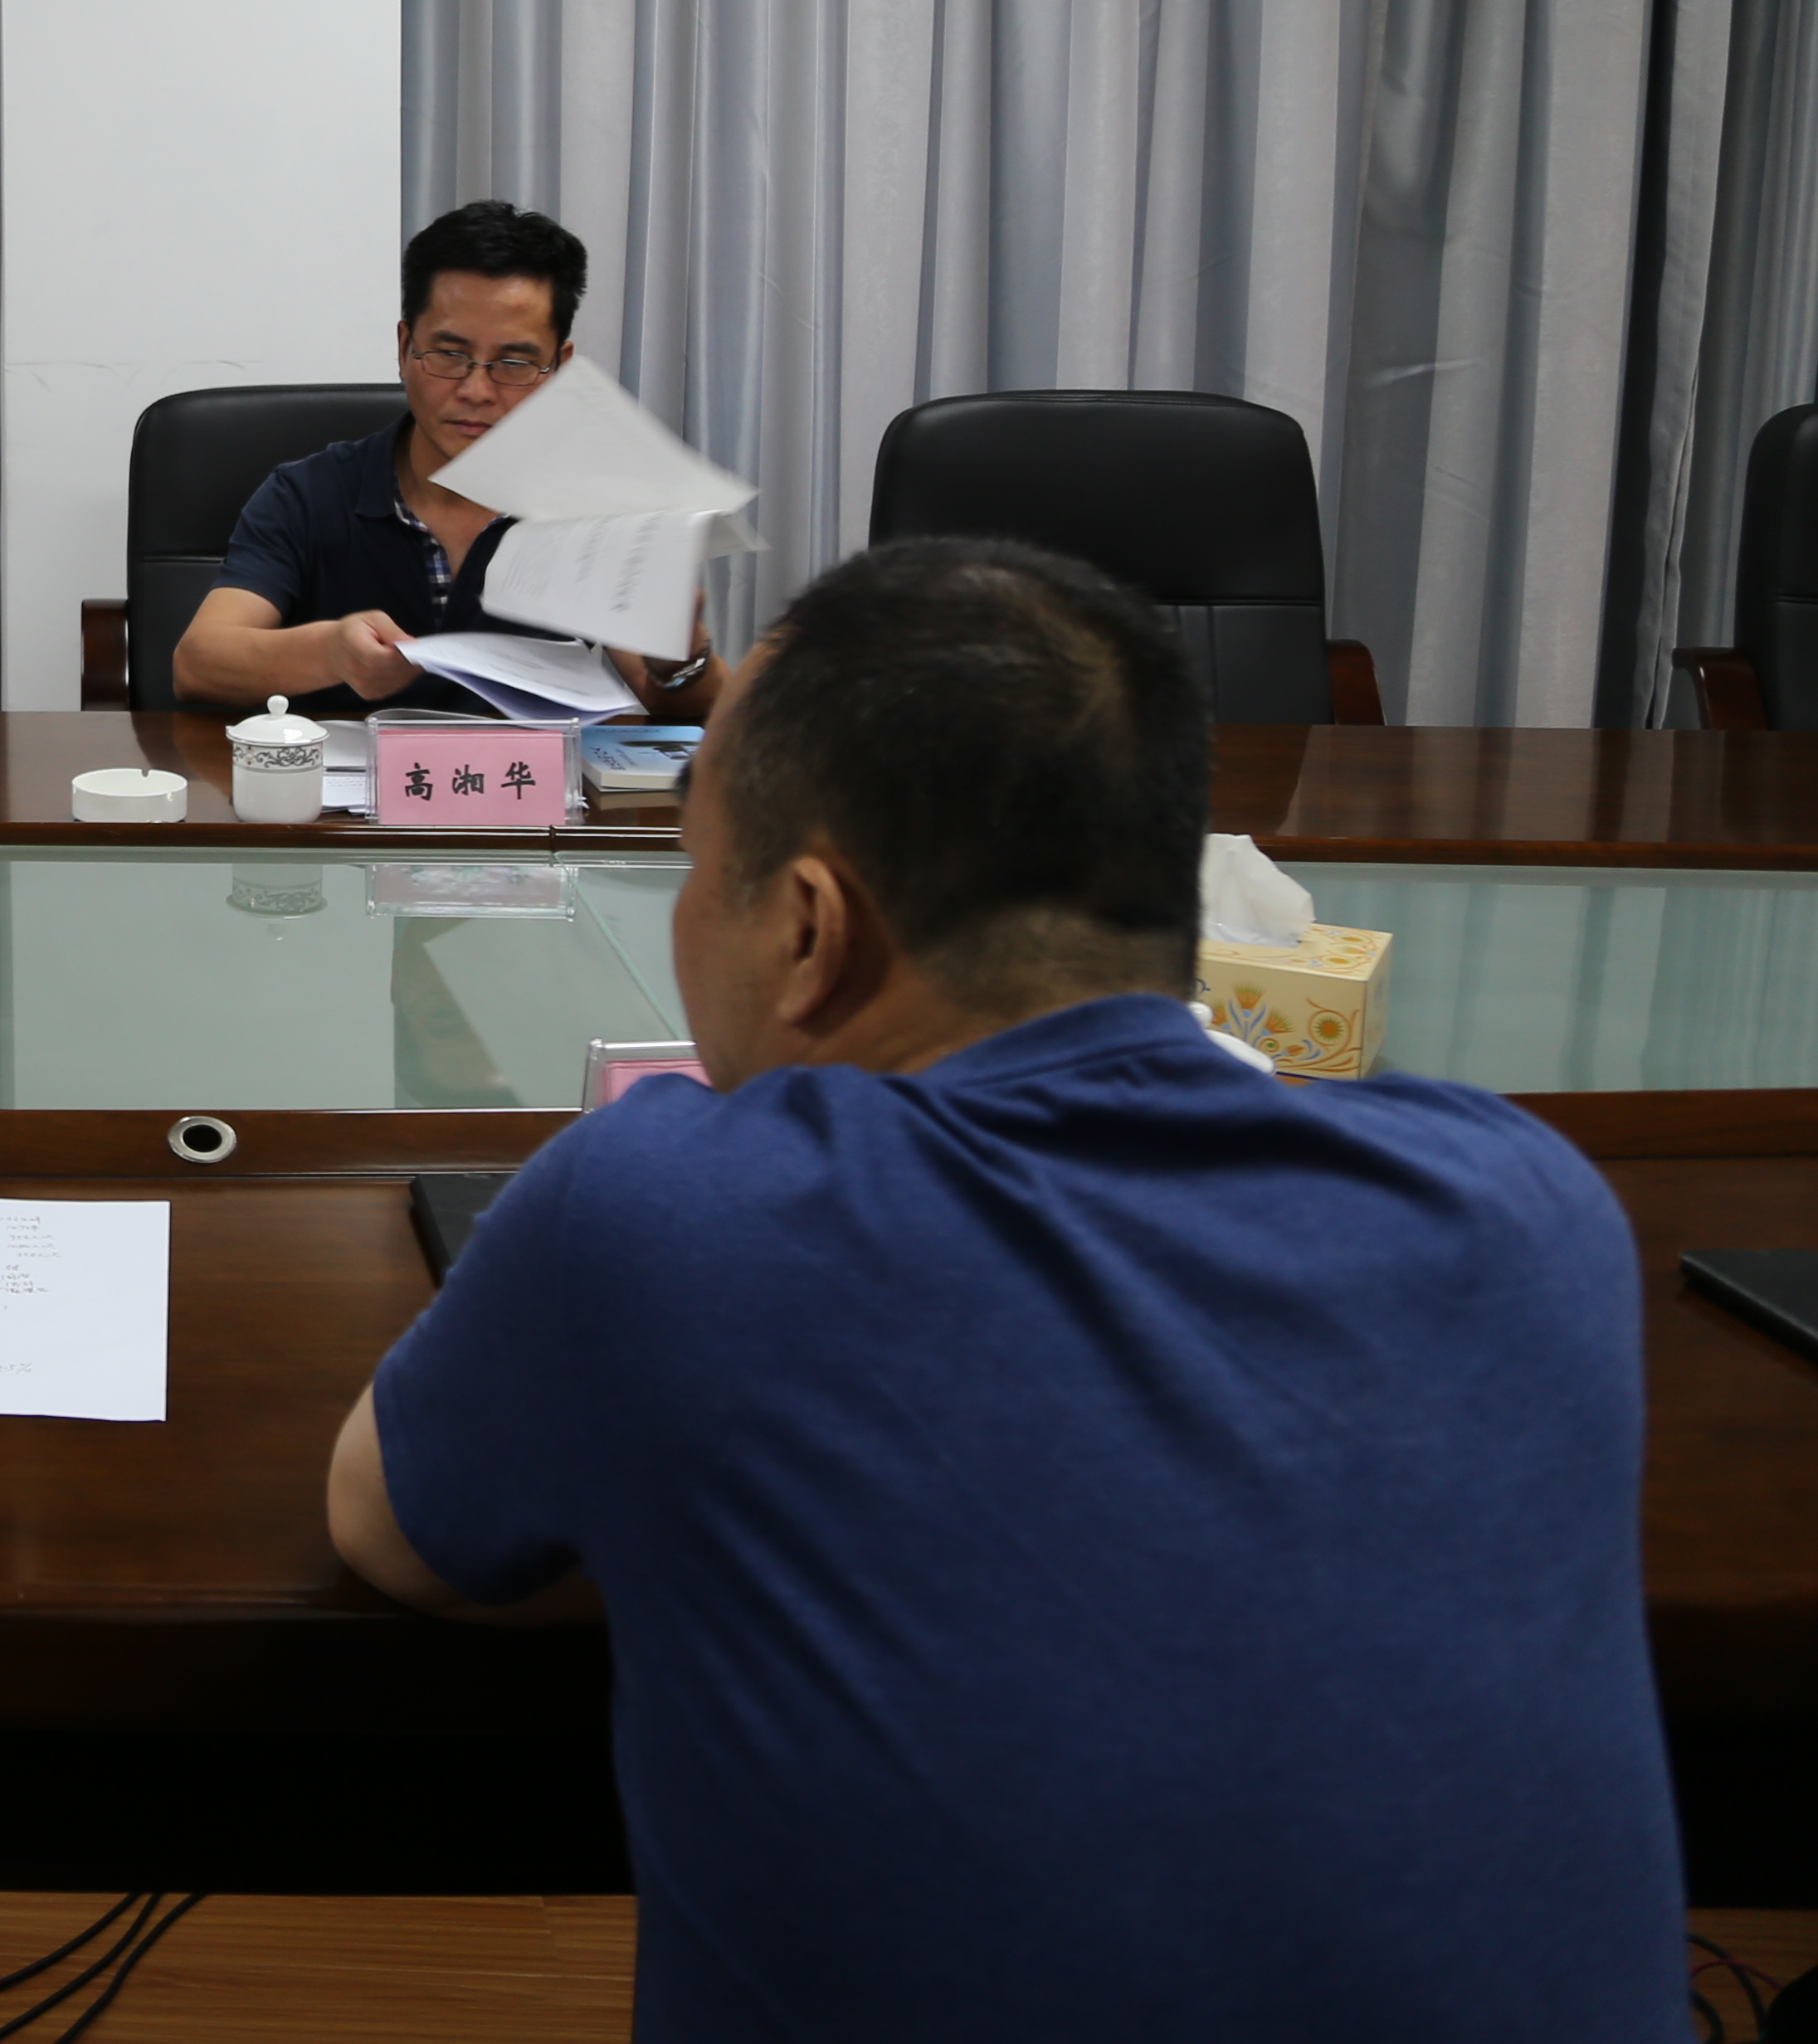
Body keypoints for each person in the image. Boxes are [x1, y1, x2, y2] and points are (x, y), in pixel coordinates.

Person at [324, 541, 1678, 2040]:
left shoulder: (663, 1213)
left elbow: (387, 1529)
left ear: (808, 928)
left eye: (700, 868)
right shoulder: (1528, 1207)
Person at [172, 200, 713, 718]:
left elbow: (692, 709)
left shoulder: (596, 511)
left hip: (527, 781)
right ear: (404, 348)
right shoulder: (308, 494)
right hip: (344, 783)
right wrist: (330, 652)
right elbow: (197, 665)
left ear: (559, 369)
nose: (476, 391)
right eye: (451, 355)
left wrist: (679, 658)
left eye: (514, 363)